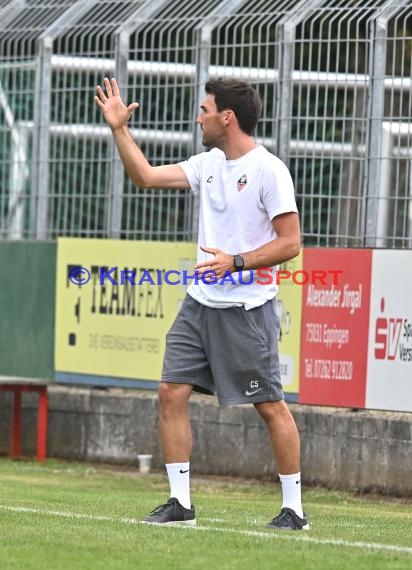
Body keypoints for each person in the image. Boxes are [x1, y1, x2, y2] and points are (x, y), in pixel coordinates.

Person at [95, 77, 308, 531]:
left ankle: (295, 510)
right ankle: (180, 503)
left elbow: (291, 243)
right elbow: (146, 177)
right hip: (199, 302)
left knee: (270, 405)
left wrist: (236, 262)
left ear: (226, 117)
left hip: (247, 309)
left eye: (204, 109)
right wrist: (119, 129)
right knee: (171, 390)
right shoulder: (207, 162)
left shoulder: (270, 170)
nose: (199, 117)